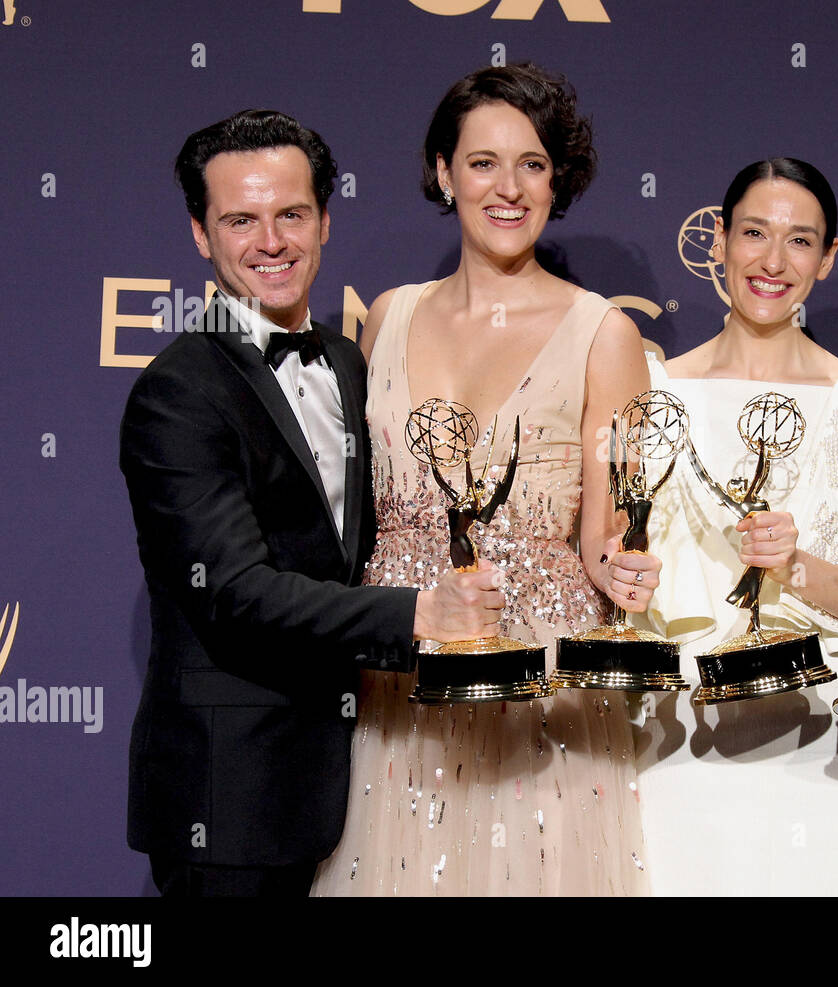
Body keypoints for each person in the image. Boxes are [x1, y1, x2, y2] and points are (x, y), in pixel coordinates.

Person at [120, 110, 503, 897]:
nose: (271, 241)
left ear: (325, 219)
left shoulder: (345, 360)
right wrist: (417, 615)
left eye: (291, 213)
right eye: (240, 219)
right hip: (230, 797)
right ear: (200, 233)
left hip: (359, 776)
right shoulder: (176, 393)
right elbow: (233, 590)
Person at [311, 64, 659, 896]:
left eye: (532, 164)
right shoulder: (388, 314)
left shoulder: (602, 334)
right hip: (397, 674)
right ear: (442, 172)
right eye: (482, 163)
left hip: (534, 687)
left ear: (557, 178)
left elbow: (608, 537)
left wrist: (625, 567)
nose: (508, 188)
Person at [630, 158, 838, 896]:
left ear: (828, 258)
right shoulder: (653, 390)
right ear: (719, 240)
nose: (772, 261)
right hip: (683, 757)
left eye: (800, 240)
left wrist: (802, 568)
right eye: (754, 233)